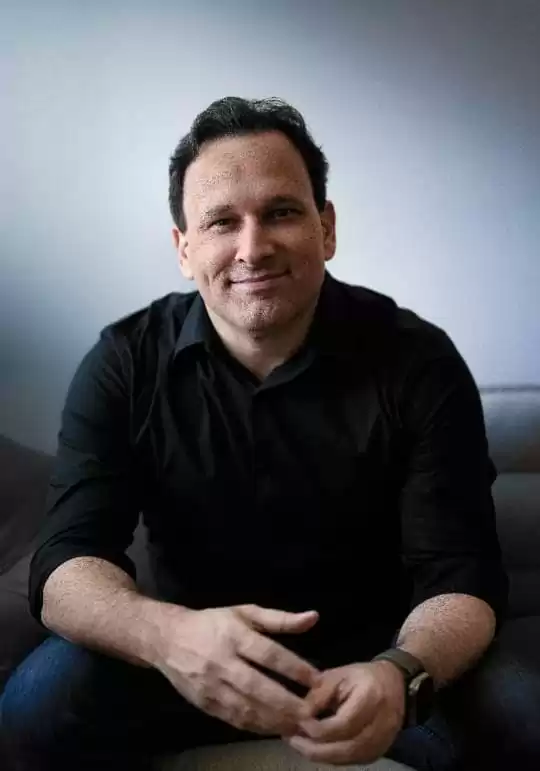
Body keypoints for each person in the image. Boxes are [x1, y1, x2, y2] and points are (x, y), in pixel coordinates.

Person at [0, 95, 529, 771]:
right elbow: (66, 562)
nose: (253, 248)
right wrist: (167, 635)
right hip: (185, 656)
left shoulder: (419, 361)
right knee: (35, 705)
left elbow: (462, 573)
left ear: (325, 228)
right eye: (222, 222)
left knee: (523, 711)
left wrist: (401, 673)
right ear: (184, 249)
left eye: (280, 212)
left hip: (377, 660)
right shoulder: (123, 363)